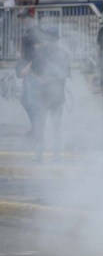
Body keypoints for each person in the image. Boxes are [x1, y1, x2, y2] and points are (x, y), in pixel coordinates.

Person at [18, 28, 68, 161]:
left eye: (52, 39)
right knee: (40, 126)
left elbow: (65, 74)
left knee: (55, 126)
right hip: (42, 97)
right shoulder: (38, 53)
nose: (50, 42)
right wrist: (38, 79)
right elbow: (29, 71)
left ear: (56, 40)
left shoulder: (62, 54)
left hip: (56, 97)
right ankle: (39, 152)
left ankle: (55, 153)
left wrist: (49, 79)